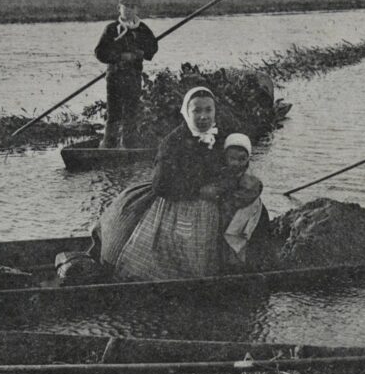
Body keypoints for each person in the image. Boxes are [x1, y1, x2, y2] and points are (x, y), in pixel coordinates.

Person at [114, 87, 227, 281]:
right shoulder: (173, 142)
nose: (203, 116)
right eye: (196, 111)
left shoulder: (218, 137)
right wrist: (199, 191)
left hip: (208, 207)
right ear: (186, 112)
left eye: (208, 110)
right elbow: (161, 185)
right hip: (176, 205)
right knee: (174, 254)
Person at [94, 0, 159, 148]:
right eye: (125, 7)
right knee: (114, 112)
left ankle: (129, 145)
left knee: (131, 112)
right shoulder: (111, 29)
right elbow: (100, 52)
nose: (129, 10)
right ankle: (109, 146)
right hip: (115, 77)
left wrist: (143, 53)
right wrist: (121, 56)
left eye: (132, 7)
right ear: (119, 8)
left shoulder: (142, 29)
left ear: (137, 10)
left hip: (133, 77)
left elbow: (153, 47)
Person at [217, 133, 270, 269]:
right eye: (232, 158)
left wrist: (221, 197)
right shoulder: (224, 174)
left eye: (242, 159)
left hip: (249, 214)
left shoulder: (250, 180)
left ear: (248, 159)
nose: (236, 163)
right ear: (225, 158)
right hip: (233, 212)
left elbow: (240, 200)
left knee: (247, 246)